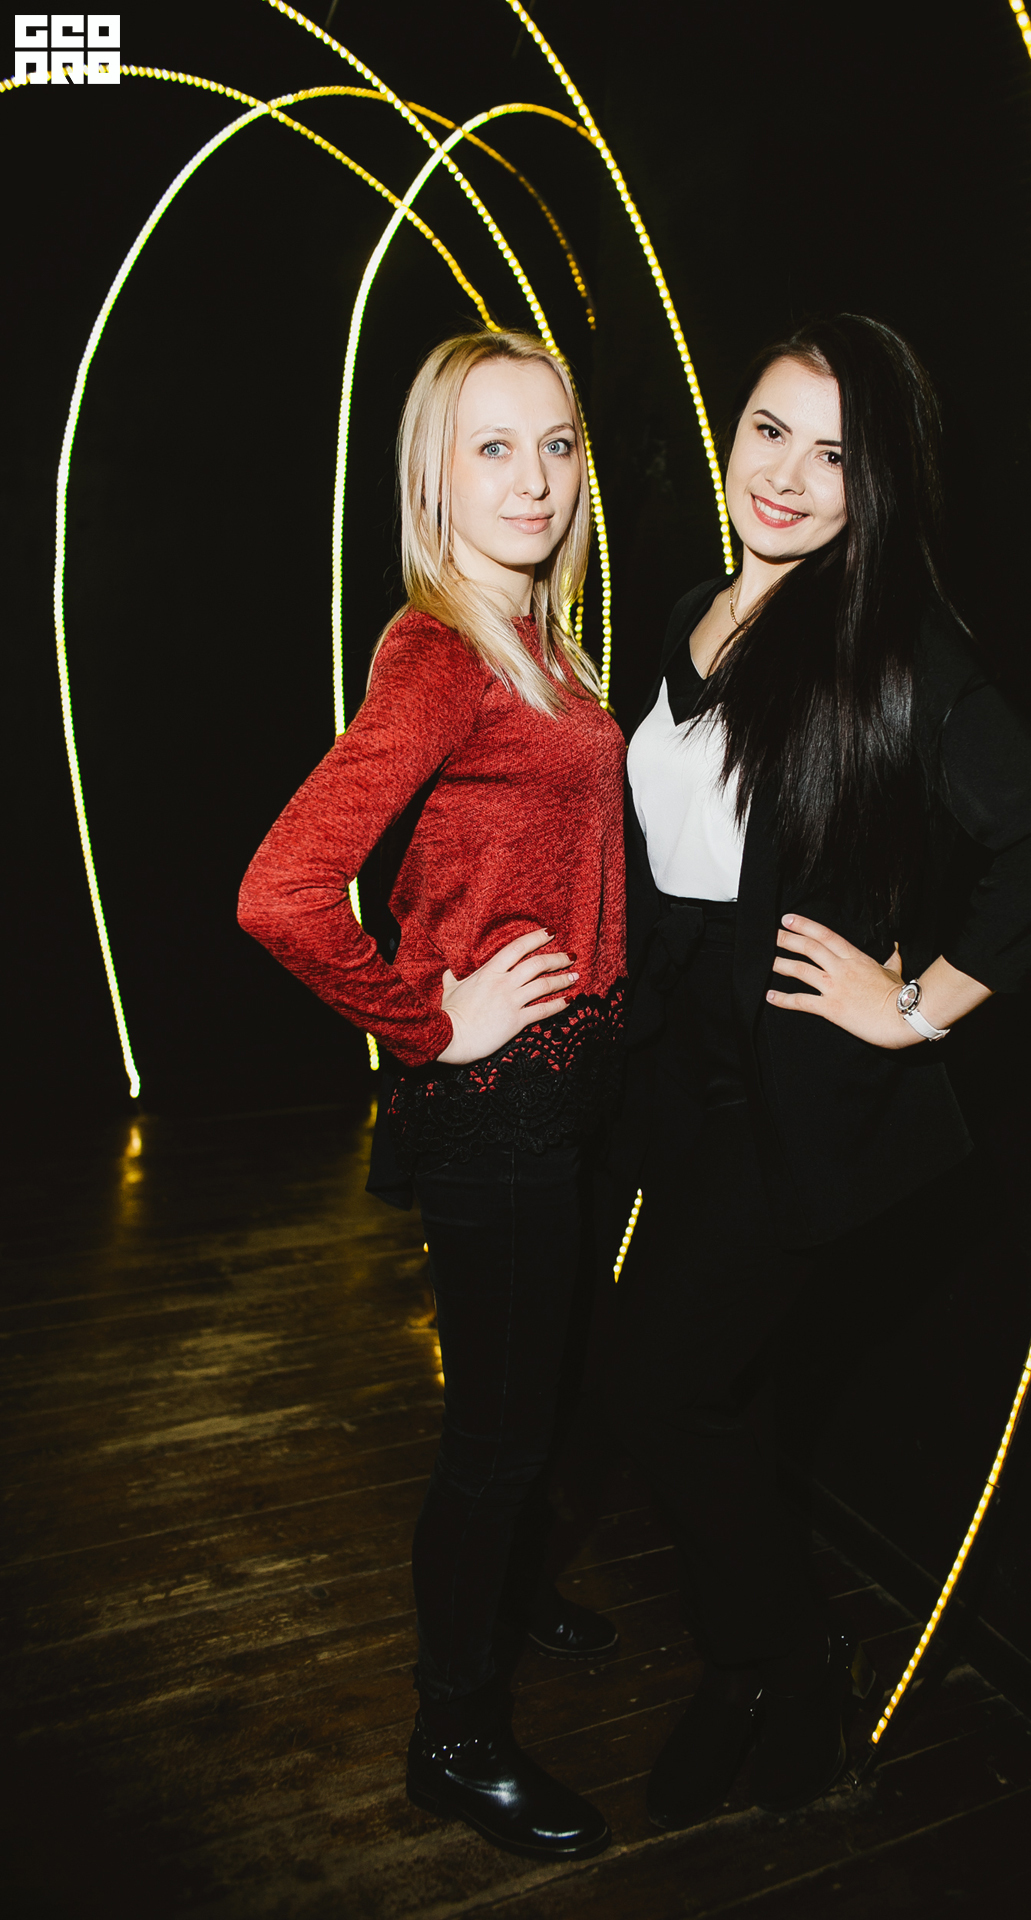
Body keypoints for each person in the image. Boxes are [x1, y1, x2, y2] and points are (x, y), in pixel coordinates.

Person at [609, 315, 1031, 1830]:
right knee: (719, 1386)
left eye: (834, 456)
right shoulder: (694, 612)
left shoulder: (887, 647)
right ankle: (759, 1660)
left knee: (668, 1386)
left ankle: (774, 1663)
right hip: (675, 1063)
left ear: (874, 485)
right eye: (770, 430)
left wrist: (915, 1007)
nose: (787, 475)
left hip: (786, 1096)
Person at [238, 330, 627, 1863]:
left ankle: (515, 1595)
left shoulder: (543, 640)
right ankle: (453, 1737)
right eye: (493, 448)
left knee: (547, 1400)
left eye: (557, 445)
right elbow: (279, 891)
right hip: (496, 1110)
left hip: (567, 1088)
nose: (534, 479)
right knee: (497, 1442)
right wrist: (428, 1025)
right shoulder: (441, 653)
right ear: (433, 476)